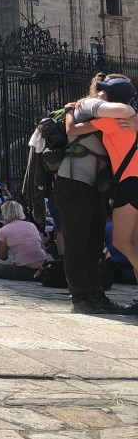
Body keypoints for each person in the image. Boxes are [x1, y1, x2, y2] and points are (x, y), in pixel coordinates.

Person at [61, 74, 138, 314]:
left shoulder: (114, 119)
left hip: (127, 183)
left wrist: (69, 110)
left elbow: (72, 129)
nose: (100, 94)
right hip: (130, 180)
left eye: (105, 92)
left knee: (119, 243)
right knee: (133, 244)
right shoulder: (127, 119)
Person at [0, 200, 47, 280]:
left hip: (24, 270)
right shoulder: (31, 225)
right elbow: (39, 245)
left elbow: (3, 257)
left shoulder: (3, 231)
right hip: (42, 265)